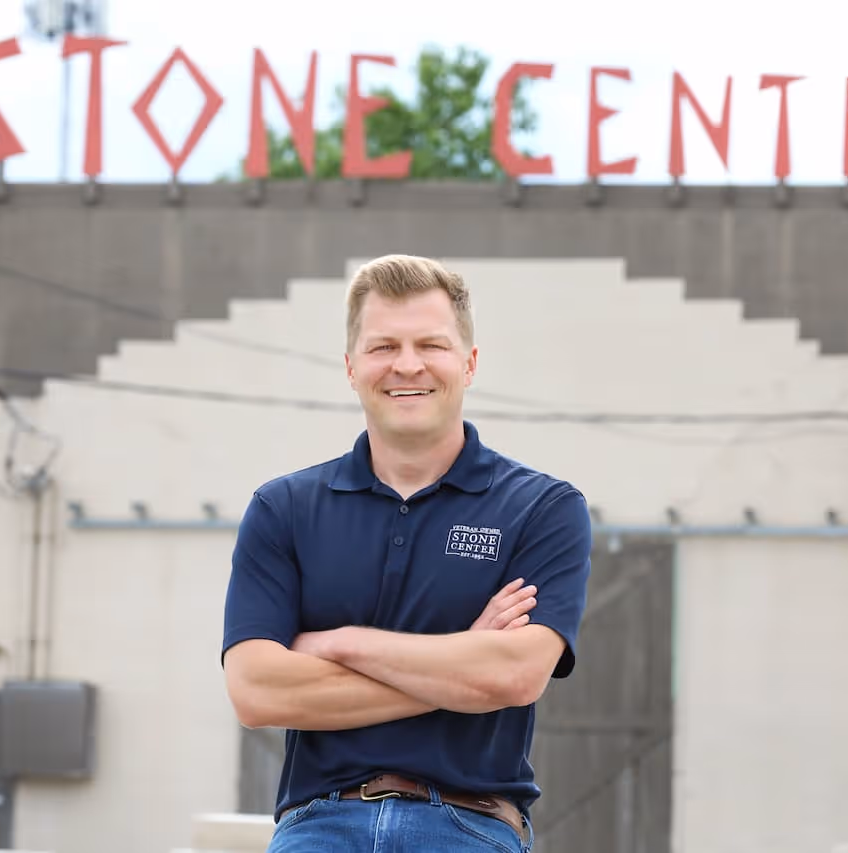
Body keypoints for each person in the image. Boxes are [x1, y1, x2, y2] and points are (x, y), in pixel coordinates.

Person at [220, 254, 593, 852]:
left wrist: (341, 643)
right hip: (319, 826)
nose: (408, 364)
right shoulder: (283, 509)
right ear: (350, 367)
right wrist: (465, 666)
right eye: (384, 346)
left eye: (431, 344)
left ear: (469, 364)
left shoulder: (543, 508)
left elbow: (517, 674)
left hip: (470, 825)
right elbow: (257, 692)